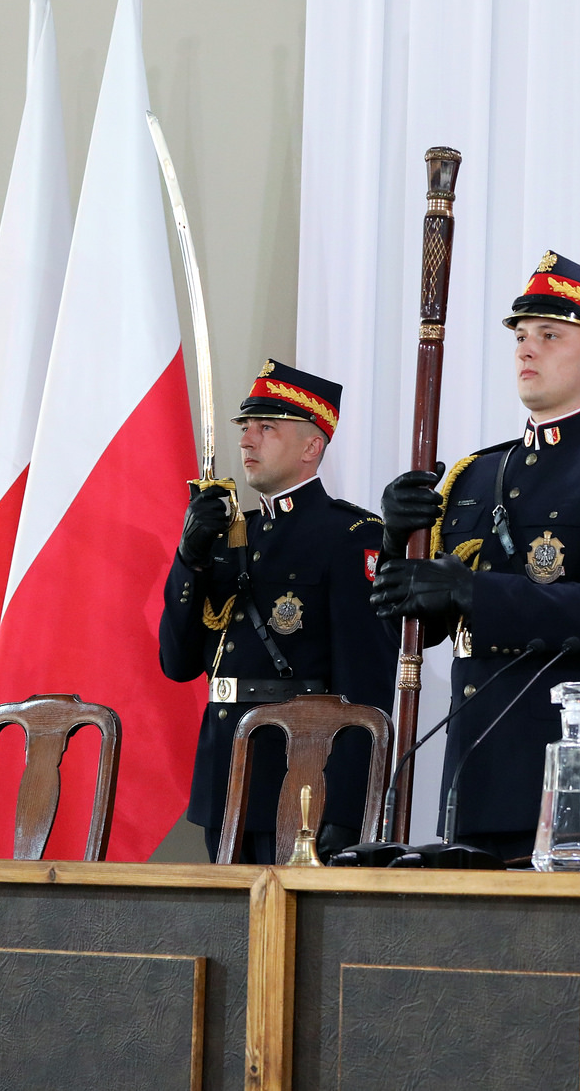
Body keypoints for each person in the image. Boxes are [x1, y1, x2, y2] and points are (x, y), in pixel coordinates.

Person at [373, 252, 580, 861]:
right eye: (520, 335)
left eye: (549, 334)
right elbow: (417, 634)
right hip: (477, 759)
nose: (525, 349)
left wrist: (471, 592)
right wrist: (396, 546)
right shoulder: (472, 475)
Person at [159, 360, 395, 863]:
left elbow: (367, 684)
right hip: (225, 777)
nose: (247, 441)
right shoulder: (227, 538)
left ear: (312, 447)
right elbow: (177, 665)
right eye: (246, 428)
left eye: (266, 428)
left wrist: (347, 810)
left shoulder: (349, 539)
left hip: (301, 779)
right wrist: (188, 559)